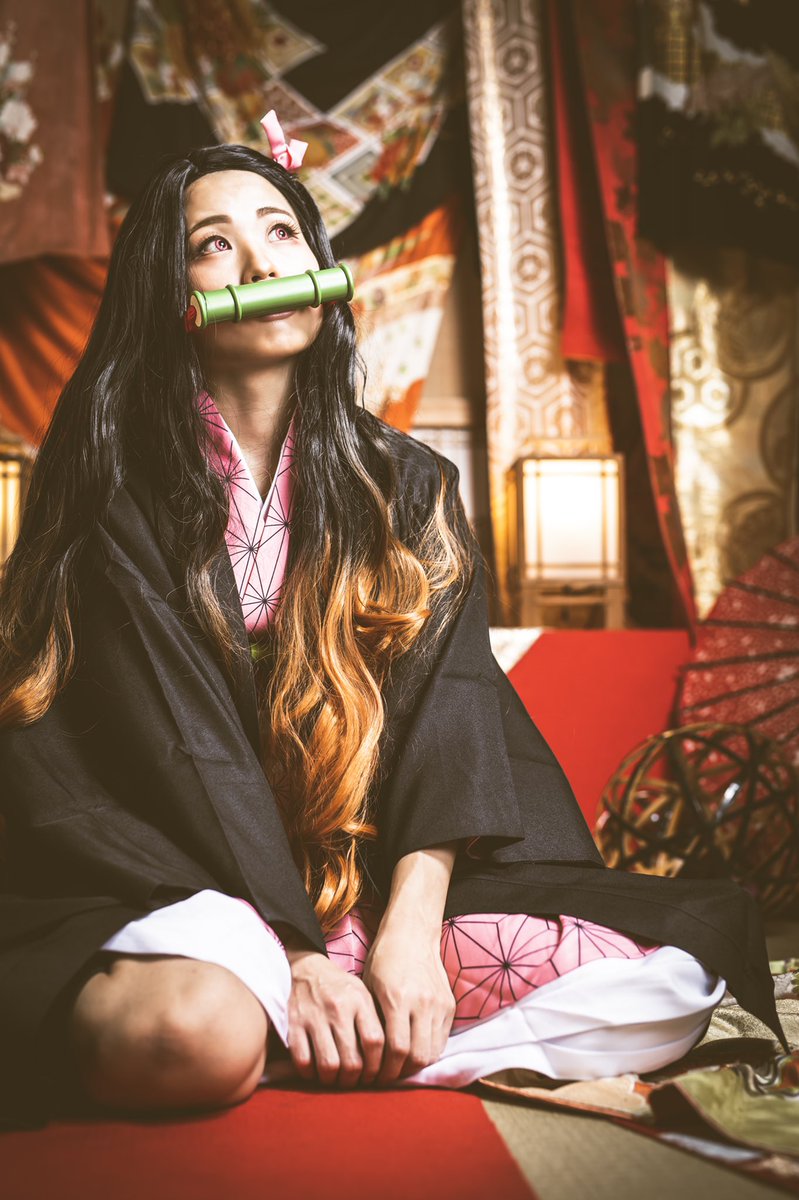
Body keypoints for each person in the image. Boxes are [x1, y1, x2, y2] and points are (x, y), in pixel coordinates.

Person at [0, 128, 783, 1126]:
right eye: (214, 244)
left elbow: (448, 717)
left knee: (666, 987)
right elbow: (178, 750)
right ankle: (300, 1010)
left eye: (282, 231)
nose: (261, 265)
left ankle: (338, 1023)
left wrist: (407, 939)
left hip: (364, 879)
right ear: (169, 293)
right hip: (179, 877)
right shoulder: (111, 485)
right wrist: (293, 953)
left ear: (319, 267)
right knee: (185, 1037)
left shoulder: (410, 486)